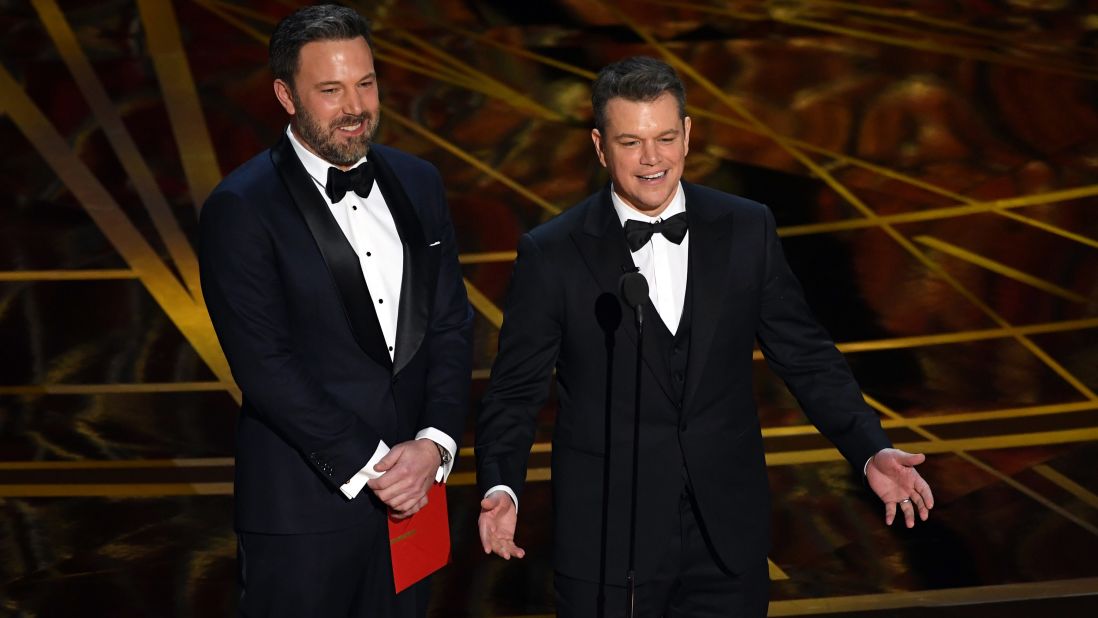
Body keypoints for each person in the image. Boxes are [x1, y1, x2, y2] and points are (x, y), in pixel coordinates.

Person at [475, 56, 933, 617]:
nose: (652, 159)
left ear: (688, 134)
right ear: (599, 146)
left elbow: (805, 354)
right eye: (631, 142)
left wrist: (869, 449)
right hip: (608, 545)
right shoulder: (552, 253)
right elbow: (515, 390)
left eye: (666, 137)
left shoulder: (746, 227)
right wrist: (502, 485)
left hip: (727, 540)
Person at [198, 5, 472, 617]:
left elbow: (451, 324)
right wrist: (376, 467)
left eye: (365, 83)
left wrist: (434, 444)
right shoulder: (240, 208)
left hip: (417, 499)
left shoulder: (419, 180)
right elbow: (263, 365)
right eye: (330, 90)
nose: (355, 105)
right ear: (284, 95)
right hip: (305, 512)